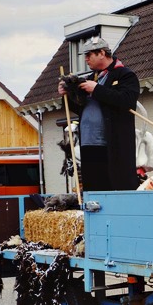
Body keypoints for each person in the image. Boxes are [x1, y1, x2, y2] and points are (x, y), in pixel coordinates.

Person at [58, 36, 140, 191]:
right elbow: (77, 108)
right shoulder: (89, 78)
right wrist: (66, 95)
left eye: (89, 55)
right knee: (94, 189)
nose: (86, 59)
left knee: (113, 187)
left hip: (112, 145)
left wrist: (96, 89)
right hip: (89, 144)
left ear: (102, 53)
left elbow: (127, 100)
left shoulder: (125, 75)